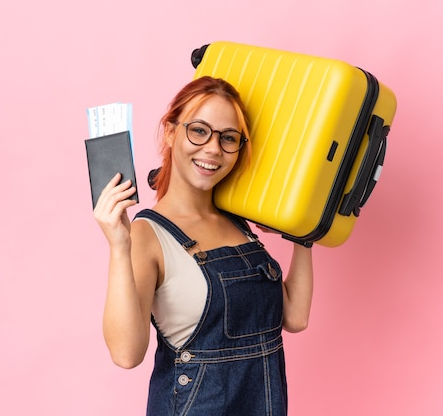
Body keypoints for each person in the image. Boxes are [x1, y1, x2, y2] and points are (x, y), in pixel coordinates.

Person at [93, 76, 314, 415]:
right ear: (170, 131)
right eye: (199, 130)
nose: (213, 149)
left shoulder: (239, 224)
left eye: (228, 138)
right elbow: (126, 354)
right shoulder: (147, 235)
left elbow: (294, 317)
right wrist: (119, 247)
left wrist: (305, 234)